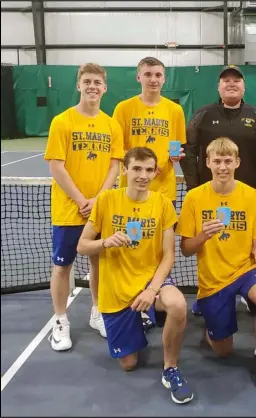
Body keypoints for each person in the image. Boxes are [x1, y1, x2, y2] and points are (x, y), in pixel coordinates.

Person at [77, 147, 194, 405]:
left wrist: (152, 289)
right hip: (115, 289)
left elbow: (168, 256)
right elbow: (82, 245)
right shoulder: (107, 201)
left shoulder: (162, 204)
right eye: (137, 169)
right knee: (129, 364)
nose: (143, 175)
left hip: (149, 281)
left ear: (155, 172)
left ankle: (170, 368)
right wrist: (105, 242)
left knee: (177, 305)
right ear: (125, 170)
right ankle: (140, 320)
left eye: (149, 170)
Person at [176, 137, 256, 391]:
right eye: (217, 161)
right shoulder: (194, 198)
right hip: (213, 279)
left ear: (237, 162)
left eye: (228, 161)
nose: (223, 167)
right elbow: (186, 249)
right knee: (223, 351)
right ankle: (211, 323)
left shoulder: (252, 196)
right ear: (208, 163)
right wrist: (203, 236)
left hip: (245, 271)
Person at [180, 64, 256, 316]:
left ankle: (248, 287)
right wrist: (194, 187)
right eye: (226, 81)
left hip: (247, 196)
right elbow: (189, 151)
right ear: (219, 87)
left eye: (236, 80)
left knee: (249, 244)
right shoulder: (202, 115)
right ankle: (207, 293)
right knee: (210, 246)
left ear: (244, 86)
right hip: (209, 196)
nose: (231, 84)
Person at [44, 63, 124, 351]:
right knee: (62, 266)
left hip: (100, 210)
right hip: (69, 209)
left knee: (98, 262)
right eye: (87, 81)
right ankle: (61, 320)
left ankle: (97, 312)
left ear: (105, 88)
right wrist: (81, 200)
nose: (92, 86)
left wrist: (99, 200)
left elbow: (114, 166)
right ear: (79, 86)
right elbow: (56, 165)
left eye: (97, 82)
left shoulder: (111, 124)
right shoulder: (62, 122)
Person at [112, 56, 186, 330]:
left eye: (158, 75)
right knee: (133, 248)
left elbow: (176, 148)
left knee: (162, 250)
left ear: (164, 79)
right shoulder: (123, 109)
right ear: (138, 77)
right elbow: (119, 151)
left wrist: (175, 156)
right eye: (148, 74)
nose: (153, 79)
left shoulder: (174, 111)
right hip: (131, 195)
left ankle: (156, 294)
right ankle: (136, 304)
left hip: (164, 192)